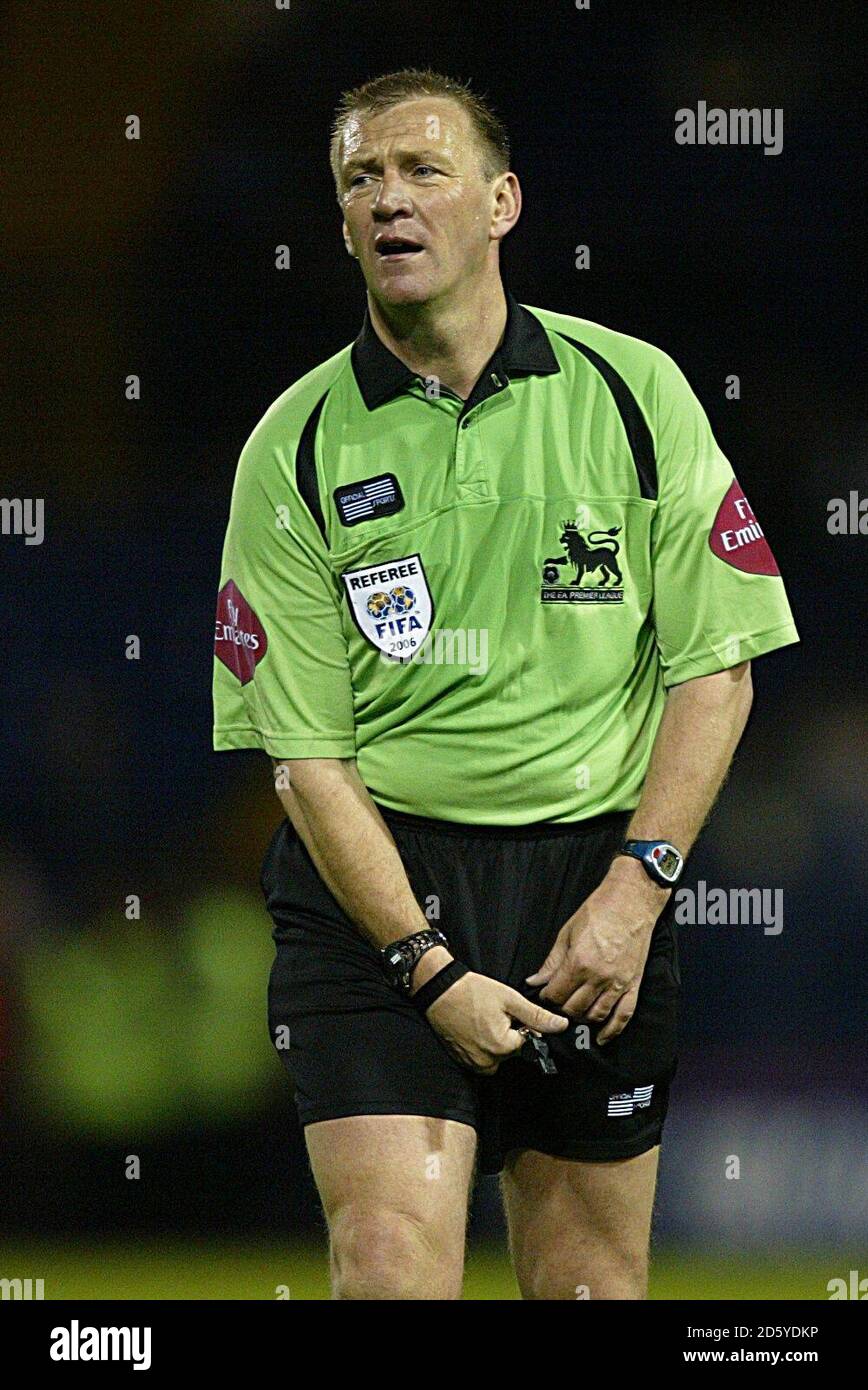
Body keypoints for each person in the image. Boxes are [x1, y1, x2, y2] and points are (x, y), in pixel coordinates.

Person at [212, 68, 799, 1299]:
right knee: (385, 1262)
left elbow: (718, 670)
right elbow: (304, 760)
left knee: (588, 1283)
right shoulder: (293, 448)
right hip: (375, 890)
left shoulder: (635, 393)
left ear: (501, 203)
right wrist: (422, 964)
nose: (389, 199)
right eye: (361, 179)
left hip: (592, 883)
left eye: (422, 169)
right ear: (340, 223)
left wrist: (632, 896)